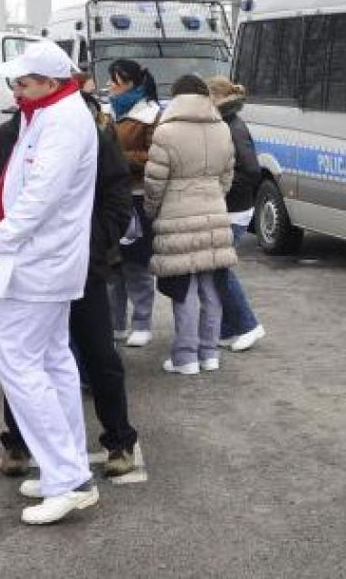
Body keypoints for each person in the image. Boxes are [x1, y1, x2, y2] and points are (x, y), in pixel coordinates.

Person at [0, 83, 147, 483]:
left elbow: (116, 198)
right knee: (31, 359)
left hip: (83, 266)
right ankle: (17, 441)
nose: (20, 93)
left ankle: (118, 440)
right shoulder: (3, 138)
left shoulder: (89, 136)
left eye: (26, 85)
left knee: (97, 355)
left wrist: (92, 244)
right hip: (24, 270)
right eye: (16, 86)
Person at [0, 39, 100, 525]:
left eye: (25, 83)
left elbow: (42, 193)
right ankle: (65, 472)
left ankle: (67, 477)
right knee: (51, 362)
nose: (17, 91)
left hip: (38, 261)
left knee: (19, 364)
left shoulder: (64, 119)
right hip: (42, 260)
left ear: (50, 82)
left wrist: (3, 235)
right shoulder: (51, 112)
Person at [143, 74, 236, 375]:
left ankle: (186, 357)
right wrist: (213, 198)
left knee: (184, 289)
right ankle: (210, 353)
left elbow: (155, 181)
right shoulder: (222, 127)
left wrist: (151, 211)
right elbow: (227, 175)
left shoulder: (166, 130)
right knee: (212, 288)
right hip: (214, 212)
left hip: (176, 215)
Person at [207, 77, 266, 352]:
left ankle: (248, 325)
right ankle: (229, 328)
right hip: (233, 207)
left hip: (235, 209)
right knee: (217, 270)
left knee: (220, 269)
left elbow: (252, 170)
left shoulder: (233, 127)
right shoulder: (226, 124)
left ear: (215, 98)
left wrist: (222, 189)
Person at [107, 59, 162, 347]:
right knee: (112, 265)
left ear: (129, 83)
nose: (109, 86)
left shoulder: (151, 114)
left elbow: (155, 156)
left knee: (136, 264)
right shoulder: (109, 112)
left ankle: (142, 321)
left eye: (113, 81)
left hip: (137, 197)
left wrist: (117, 158)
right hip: (111, 198)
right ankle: (115, 323)